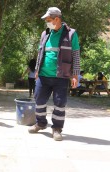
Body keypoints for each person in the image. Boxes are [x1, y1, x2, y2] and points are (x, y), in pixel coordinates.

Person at [28, 7, 81, 141]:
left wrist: (75, 75)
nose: (47, 22)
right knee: (39, 100)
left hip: (61, 76)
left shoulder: (71, 34)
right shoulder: (45, 34)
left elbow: (76, 54)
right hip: (43, 76)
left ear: (57, 19)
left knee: (60, 103)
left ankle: (57, 128)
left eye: (49, 20)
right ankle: (40, 123)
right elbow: (40, 53)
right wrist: (36, 71)